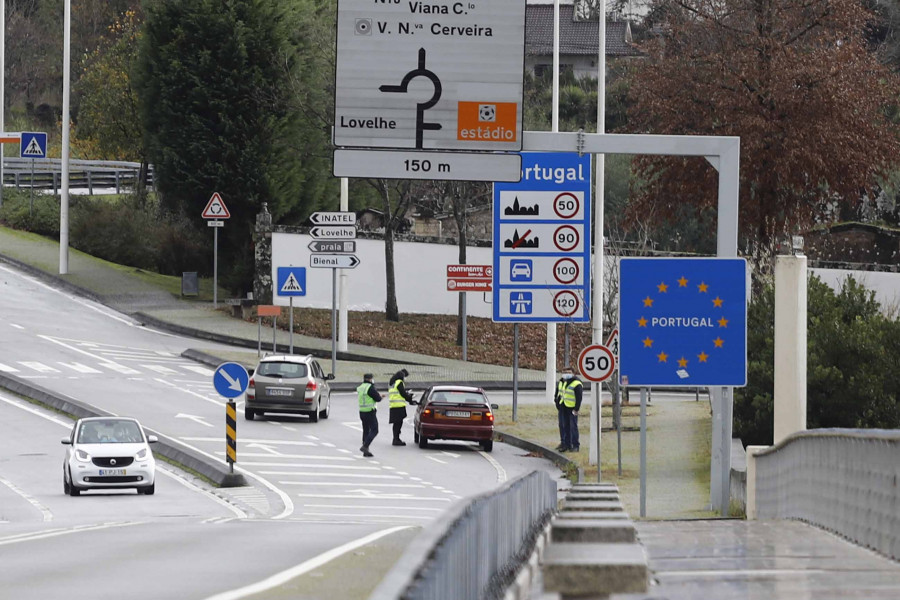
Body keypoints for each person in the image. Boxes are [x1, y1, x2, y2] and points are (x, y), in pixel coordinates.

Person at [556, 366, 584, 452]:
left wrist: (576, 409)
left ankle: (575, 445)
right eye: (564, 373)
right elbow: (558, 393)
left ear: (573, 373)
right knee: (563, 426)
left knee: (573, 427)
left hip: (572, 408)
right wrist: (557, 402)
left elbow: (579, 397)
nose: (566, 374)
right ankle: (565, 444)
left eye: (568, 373)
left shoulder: (576, 383)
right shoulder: (562, 381)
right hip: (562, 406)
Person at [388, 369, 416, 446]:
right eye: (404, 377)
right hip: (399, 405)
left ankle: (395, 438)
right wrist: (410, 398)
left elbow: (398, 393)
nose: (405, 379)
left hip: (393, 405)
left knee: (396, 423)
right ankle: (396, 439)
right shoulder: (399, 382)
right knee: (398, 423)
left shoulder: (392, 383)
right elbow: (403, 394)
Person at [357, 373, 382, 457]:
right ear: (371, 379)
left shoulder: (360, 387)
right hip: (370, 412)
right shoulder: (370, 388)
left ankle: (366, 452)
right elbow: (377, 398)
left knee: (366, 430)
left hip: (362, 411)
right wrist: (380, 397)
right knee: (375, 430)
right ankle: (365, 446)